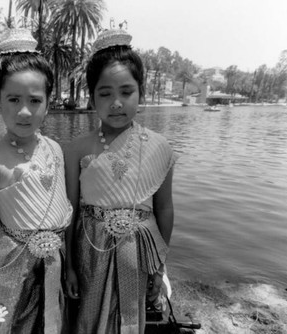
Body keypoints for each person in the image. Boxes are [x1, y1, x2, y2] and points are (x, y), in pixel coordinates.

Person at [64, 29, 178, 333]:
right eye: (105, 94)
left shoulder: (159, 147)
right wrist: (70, 266)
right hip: (91, 251)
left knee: (129, 317)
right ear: (91, 97)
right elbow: (70, 213)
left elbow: (164, 210)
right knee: (89, 317)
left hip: (137, 252)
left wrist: (159, 264)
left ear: (141, 91)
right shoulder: (77, 149)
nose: (116, 103)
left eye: (126, 92)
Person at [0, 28, 72, 334]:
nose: (24, 111)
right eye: (13, 99)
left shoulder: (54, 149)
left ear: (49, 102)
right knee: (11, 325)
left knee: (50, 322)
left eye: (35, 100)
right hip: (11, 263)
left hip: (54, 260)